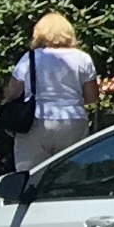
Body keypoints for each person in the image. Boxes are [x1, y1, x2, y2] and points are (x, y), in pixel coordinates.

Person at [8, 9, 96, 169]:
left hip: (37, 120)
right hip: (74, 121)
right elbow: (92, 97)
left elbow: (13, 92)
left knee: (31, 174)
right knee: (70, 173)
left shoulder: (31, 57)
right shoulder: (83, 58)